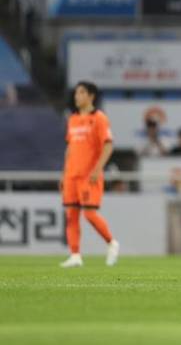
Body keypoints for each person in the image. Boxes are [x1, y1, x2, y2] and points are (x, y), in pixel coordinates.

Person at [59, 81, 119, 268]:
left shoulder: (99, 118)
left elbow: (108, 145)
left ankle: (112, 243)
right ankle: (75, 255)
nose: (77, 96)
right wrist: (63, 173)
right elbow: (69, 148)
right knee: (71, 215)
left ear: (91, 96)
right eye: (76, 93)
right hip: (71, 175)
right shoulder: (73, 119)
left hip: (89, 175)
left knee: (89, 214)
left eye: (81, 92)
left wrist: (98, 168)